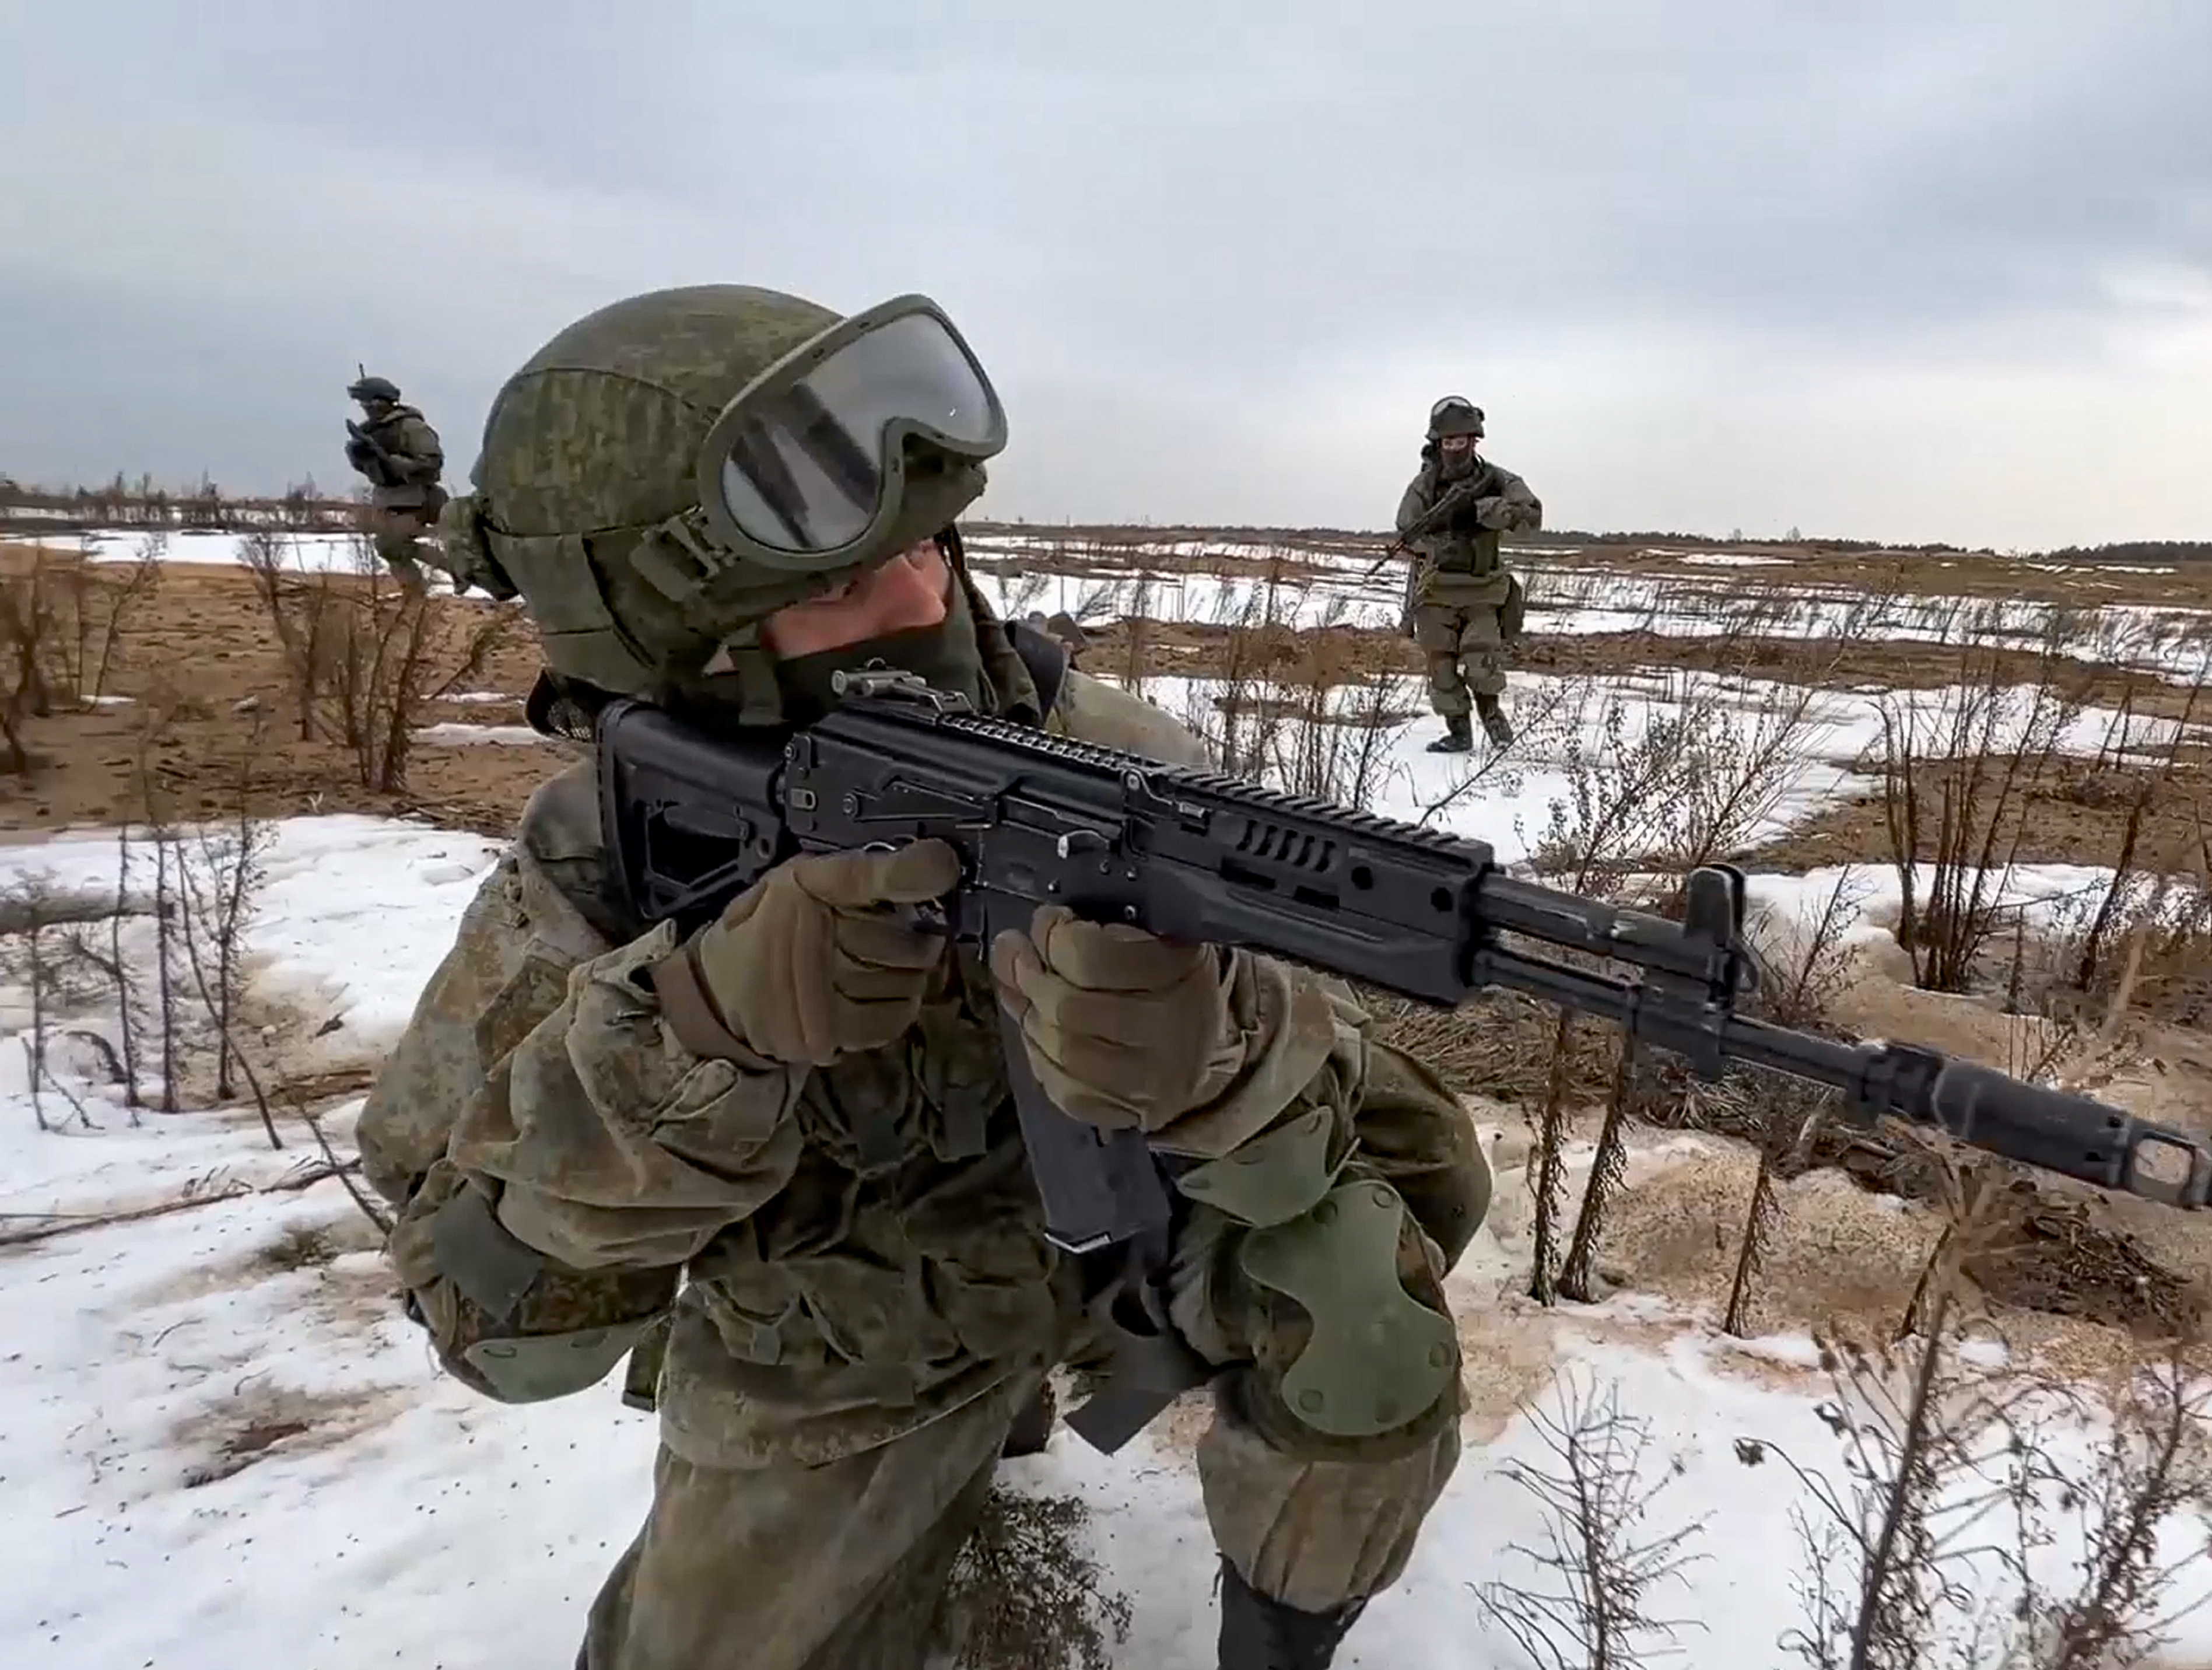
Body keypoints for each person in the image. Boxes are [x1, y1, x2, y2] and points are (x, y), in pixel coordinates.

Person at [356, 284, 1491, 1670]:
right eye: (836, 583)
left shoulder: (1116, 757)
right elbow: (496, 1328)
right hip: (834, 1336)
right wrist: (695, 1033)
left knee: (1364, 1307)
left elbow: (1423, 1152)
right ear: (675, 648)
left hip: (1120, 1248)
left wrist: (1227, 1050)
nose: (922, 598)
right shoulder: (603, 857)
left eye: (934, 548)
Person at [1393, 396, 1541, 754]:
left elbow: (1531, 516)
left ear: (1474, 441)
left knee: (1481, 664)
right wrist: (1435, 544)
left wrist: (1491, 513)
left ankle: (1496, 727)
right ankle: (1459, 734)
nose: (1454, 449)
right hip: (1437, 591)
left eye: (1461, 441)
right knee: (1441, 669)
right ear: (1437, 444)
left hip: (1482, 591)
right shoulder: (1424, 487)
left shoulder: (1498, 479)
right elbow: (1406, 531)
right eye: (1448, 442)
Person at [342, 373, 448, 576]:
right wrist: (361, 458)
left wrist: (390, 460)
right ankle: (413, 597)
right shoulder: (370, 431)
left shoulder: (411, 426)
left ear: (381, 402)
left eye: (368, 402)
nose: (364, 407)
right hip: (388, 499)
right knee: (390, 550)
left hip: (417, 498)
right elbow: (373, 471)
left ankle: (454, 569)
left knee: (390, 545)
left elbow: (432, 462)